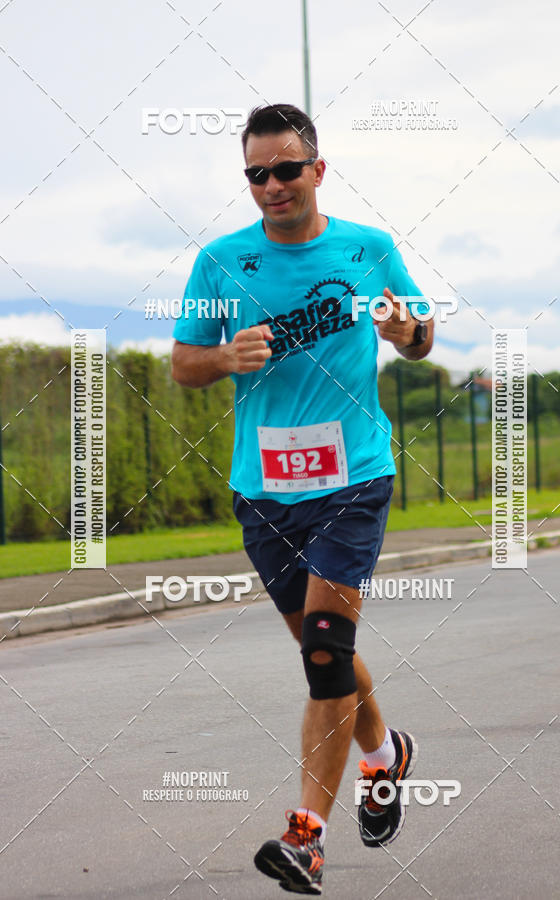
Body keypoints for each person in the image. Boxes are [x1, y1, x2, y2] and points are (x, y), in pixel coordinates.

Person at [171, 103, 434, 895]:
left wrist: (406, 332)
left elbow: (421, 333)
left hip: (353, 477)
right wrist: (223, 357)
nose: (272, 186)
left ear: (317, 170)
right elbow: (183, 363)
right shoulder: (220, 263)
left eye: (287, 169)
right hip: (265, 491)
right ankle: (385, 755)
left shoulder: (369, 248)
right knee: (327, 651)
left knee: (325, 647)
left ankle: (306, 839)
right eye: (257, 174)